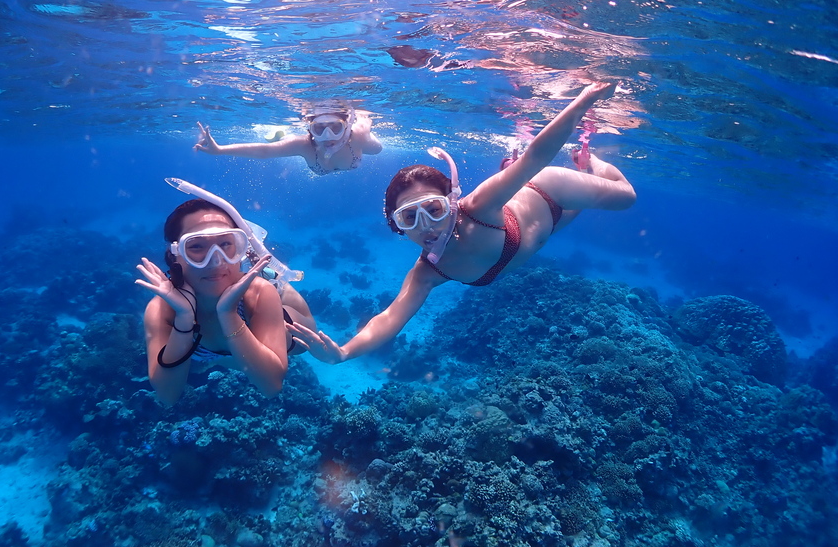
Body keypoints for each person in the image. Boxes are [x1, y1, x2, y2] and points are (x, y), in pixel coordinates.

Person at [289, 82, 636, 364]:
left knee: (626, 197)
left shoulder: (478, 207)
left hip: (547, 191)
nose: (426, 225)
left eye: (434, 209)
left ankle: (591, 163)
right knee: (572, 207)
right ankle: (543, 170)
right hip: (546, 228)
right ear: (397, 226)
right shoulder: (426, 272)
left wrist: (583, 102)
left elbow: (536, 158)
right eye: (409, 217)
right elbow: (390, 318)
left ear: (452, 204)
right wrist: (343, 353)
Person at [135, 181, 315, 405]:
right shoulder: (164, 309)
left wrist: (229, 314)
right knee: (226, 358)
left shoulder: (258, 293)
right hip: (234, 355)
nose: (216, 261)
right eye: (196, 246)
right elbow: (167, 396)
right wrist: (184, 318)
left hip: (287, 325)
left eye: (226, 244)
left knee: (302, 337)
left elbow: (271, 387)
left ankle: (272, 275)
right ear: (175, 254)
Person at [193, 109, 383, 175]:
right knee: (287, 142)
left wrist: (365, 135)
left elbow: (377, 149)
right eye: (319, 129)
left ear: (347, 127)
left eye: (336, 128)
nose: (328, 136)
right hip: (297, 144)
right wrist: (220, 150)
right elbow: (265, 151)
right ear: (310, 130)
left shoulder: (358, 137)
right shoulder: (304, 145)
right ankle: (281, 134)